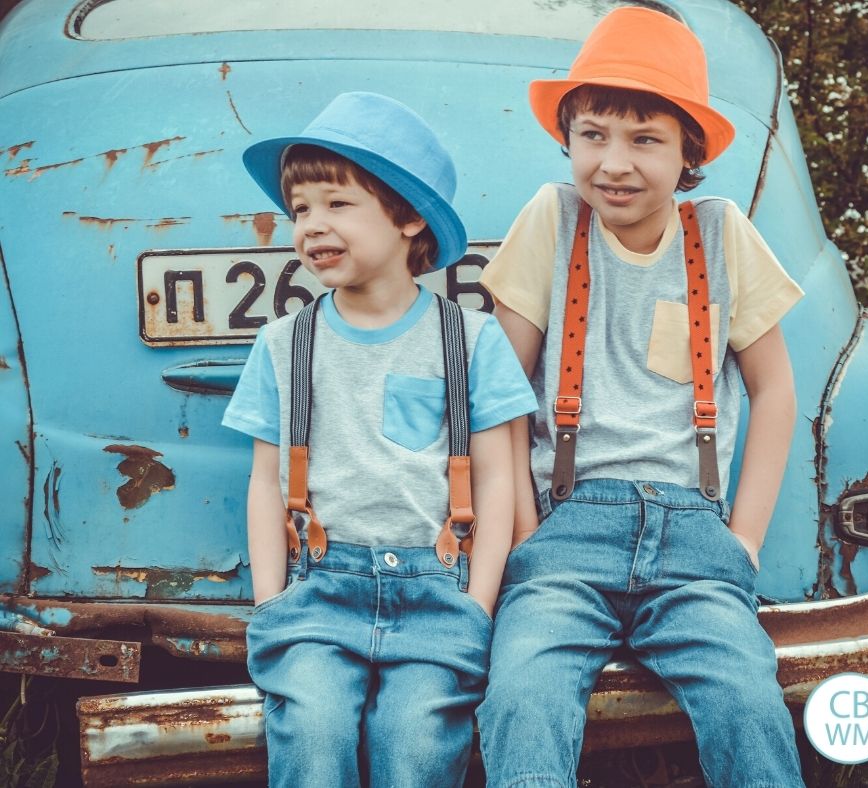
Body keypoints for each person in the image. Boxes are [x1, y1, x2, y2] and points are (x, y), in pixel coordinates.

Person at [475, 7, 806, 788]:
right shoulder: (551, 221)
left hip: (695, 543)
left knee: (748, 702)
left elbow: (776, 391)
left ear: (689, 150)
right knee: (521, 694)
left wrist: (746, 541)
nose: (613, 162)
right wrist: (526, 533)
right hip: (566, 535)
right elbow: (497, 393)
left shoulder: (722, 234)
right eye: (592, 134)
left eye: (644, 139)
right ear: (569, 139)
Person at [222, 91, 536, 788]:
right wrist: (269, 601)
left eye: (337, 203)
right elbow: (262, 482)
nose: (311, 225)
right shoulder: (282, 345)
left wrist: (478, 606)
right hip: (319, 596)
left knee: (419, 742)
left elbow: (497, 481)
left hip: (436, 594)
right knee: (312, 731)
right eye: (300, 209)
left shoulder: (470, 340)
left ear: (407, 216)